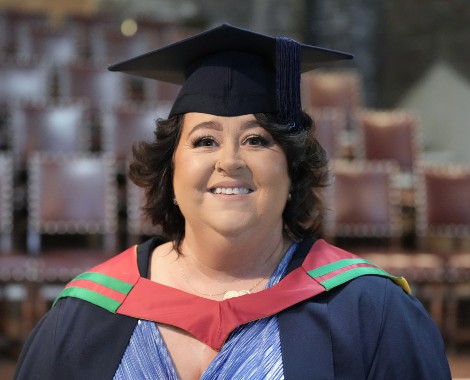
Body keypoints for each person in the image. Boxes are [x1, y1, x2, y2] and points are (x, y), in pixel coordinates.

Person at [14, 23, 450, 379]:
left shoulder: (370, 311)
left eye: (257, 140)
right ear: (172, 168)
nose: (230, 162)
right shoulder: (84, 315)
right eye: (204, 140)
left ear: (292, 169)